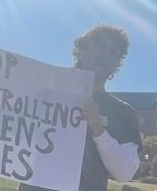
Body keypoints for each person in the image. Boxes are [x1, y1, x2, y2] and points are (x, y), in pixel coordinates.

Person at [18, 25, 142, 191]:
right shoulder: (45, 94)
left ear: (117, 63)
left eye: (114, 52)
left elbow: (125, 173)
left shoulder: (123, 112)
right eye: (100, 46)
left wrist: (98, 129)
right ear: (82, 50)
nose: (106, 55)